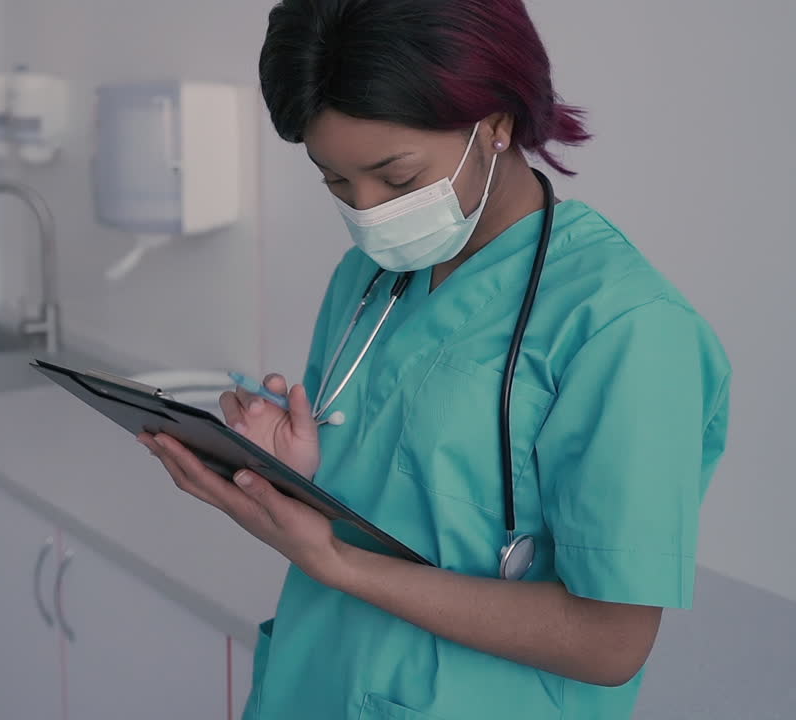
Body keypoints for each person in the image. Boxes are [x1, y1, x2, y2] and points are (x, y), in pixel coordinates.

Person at [139, 0, 732, 717]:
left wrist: (337, 561)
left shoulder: (626, 328)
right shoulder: (369, 281)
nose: (366, 212)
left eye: (397, 179)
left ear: (497, 125)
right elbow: (399, 497)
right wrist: (290, 480)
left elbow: (610, 642)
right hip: (314, 682)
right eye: (336, 182)